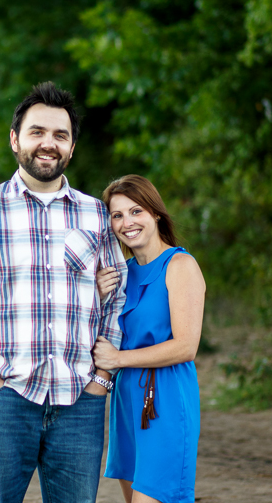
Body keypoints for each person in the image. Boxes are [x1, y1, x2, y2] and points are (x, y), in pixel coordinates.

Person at [0, 81, 128, 503]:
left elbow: (117, 297)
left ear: (72, 147)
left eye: (60, 135)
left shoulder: (95, 214)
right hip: (6, 398)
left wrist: (101, 379)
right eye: (37, 132)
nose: (48, 143)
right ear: (15, 139)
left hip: (79, 400)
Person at [93, 175, 206, 503]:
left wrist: (119, 359)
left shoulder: (180, 265)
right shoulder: (120, 273)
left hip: (165, 400)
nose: (127, 222)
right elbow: (100, 339)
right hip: (126, 401)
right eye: (117, 215)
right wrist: (95, 297)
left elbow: (186, 346)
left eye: (136, 211)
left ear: (155, 213)